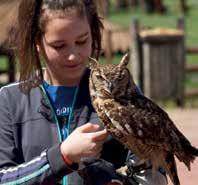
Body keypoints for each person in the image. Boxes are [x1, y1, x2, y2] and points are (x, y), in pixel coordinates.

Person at [0, 0, 168, 184]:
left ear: (94, 34)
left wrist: (116, 181)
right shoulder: (10, 101)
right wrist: (62, 157)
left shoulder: (123, 95)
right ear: (37, 42)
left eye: (82, 41)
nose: (73, 54)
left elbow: (153, 172)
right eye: (59, 45)